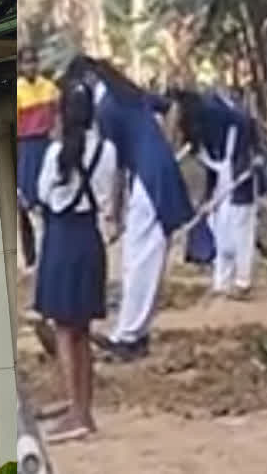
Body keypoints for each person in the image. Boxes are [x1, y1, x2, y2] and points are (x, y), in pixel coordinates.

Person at [65, 55, 215, 362]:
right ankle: (133, 331)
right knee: (141, 258)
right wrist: (167, 146)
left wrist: (113, 214)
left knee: (140, 261)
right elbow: (173, 107)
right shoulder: (126, 93)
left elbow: (116, 168)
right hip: (155, 172)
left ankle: (130, 336)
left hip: (147, 181)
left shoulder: (105, 108)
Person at [33, 81, 119, 442]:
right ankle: (84, 409)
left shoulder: (55, 154)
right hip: (90, 239)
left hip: (61, 239)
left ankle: (75, 411)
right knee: (81, 329)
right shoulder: (108, 151)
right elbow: (108, 196)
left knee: (65, 332)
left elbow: (42, 196)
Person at [178, 90, 258, 299]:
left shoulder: (226, 121)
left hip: (239, 178)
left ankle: (242, 281)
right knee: (220, 229)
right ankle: (222, 281)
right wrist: (209, 197)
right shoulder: (209, 128)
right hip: (222, 177)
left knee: (240, 230)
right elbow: (211, 163)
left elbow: (244, 151)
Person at [17, 46, 59, 268]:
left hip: (46, 145)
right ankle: (31, 258)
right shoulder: (17, 92)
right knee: (25, 202)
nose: (31, 66)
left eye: (34, 61)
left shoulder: (50, 89)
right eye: (26, 62)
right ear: (21, 66)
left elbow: (58, 119)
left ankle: (49, 254)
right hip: (24, 147)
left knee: (48, 200)